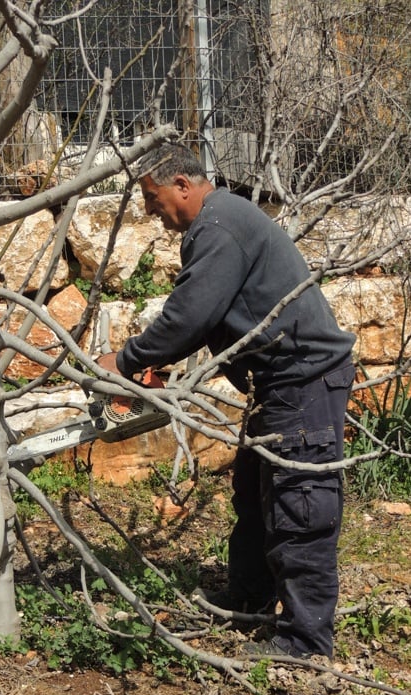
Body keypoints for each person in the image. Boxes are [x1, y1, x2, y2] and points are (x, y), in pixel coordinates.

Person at [98, 144, 356, 659]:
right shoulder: (222, 219)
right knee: (256, 497)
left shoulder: (216, 228)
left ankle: (305, 642)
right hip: (279, 383)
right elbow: (218, 315)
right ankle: (250, 599)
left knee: (298, 505)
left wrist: (124, 361)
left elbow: (191, 313)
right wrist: (163, 363)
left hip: (301, 382)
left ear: (182, 186)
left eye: (153, 197)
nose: (151, 211)